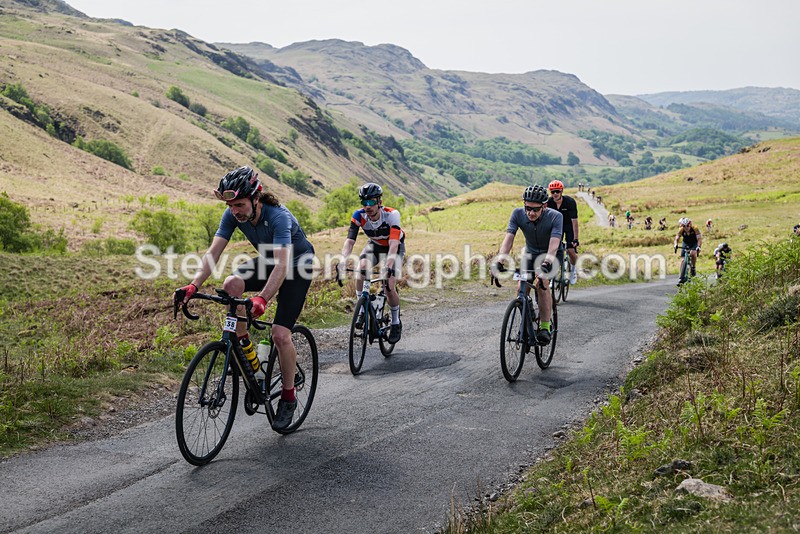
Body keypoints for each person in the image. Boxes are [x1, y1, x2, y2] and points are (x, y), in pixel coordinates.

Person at [174, 165, 314, 431]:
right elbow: (213, 253)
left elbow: (283, 266)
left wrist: (262, 299)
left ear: (256, 198)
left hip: (297, 265)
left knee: (280, 334)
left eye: (239, 204)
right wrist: (193, 285)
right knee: (231, 284)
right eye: (229, 205)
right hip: (272, 261)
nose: (234, 210)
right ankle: (244, 350)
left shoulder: (278, 217)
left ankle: (288, 396)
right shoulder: (232, 215)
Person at [492, 185, 563, 345]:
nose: (531, 213)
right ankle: (528, 314)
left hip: (551, 255)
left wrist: (546, 263)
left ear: (544, 206)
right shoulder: (517, 214)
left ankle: (545, 327)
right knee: (520, 287)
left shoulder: (555, 217)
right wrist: (500, 261)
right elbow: (509, 238)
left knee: (542, 283)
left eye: (535, 209)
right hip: (530, 255)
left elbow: (554, 244)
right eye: (528, 208)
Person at [339, 183, 405, 343]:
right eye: (364, 202)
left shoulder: (391, 215)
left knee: (388, 285)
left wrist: (389, 265)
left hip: (393, 246)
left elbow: (394, 244)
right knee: (361, 268)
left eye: (370, 202)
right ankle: (362, 308)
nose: (367, 206)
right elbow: (350, 241)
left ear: (379, 202)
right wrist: (342, 260)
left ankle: (396, 322)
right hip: (374, 245)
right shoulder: (358, 215)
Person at [546, 179, 579, 285]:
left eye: (557, 191)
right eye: (552, 192)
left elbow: (574, 221)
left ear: (562, 191)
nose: (555, 194)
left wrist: (576, 239)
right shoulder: (548, 203)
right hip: (555, 227)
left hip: (568, 226)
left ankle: (573, 270)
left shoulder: (570, 202)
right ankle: (552, 276)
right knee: (554, 251)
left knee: (571, 251)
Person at [673, 217, 703, 285]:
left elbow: (699, 239)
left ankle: (693, 268)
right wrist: (675, 244)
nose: (686, 227)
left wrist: (698, 247)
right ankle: (681, 277)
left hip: (694, 243)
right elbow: (676, 239)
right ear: (682, 226)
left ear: (690, 224)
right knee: (682, 260)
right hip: (686, 243)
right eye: (684, 226)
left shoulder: (695, 228)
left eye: (687, 226)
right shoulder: (681, 229)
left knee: (693, 253)